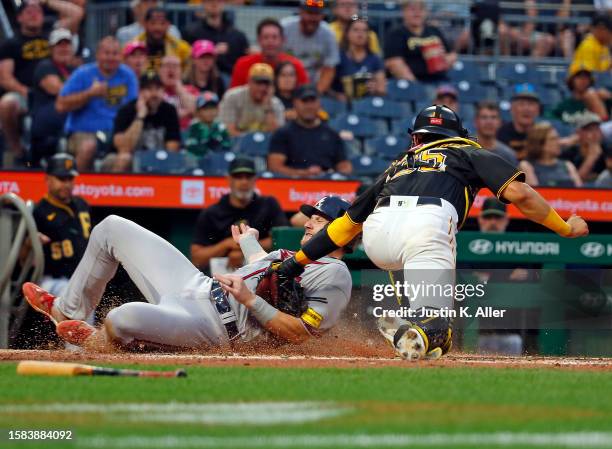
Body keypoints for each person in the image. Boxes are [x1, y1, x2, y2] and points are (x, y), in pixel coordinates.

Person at [274, 104, 589, 361]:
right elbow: (521, 195)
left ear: (416, 139)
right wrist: (564, 226)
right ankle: (413, 326)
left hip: (378, 235)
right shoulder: (467, 151)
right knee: (438, 328)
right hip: (427, 225)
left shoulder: (398, 165)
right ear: (458, 135)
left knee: (438, 342)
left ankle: (416, 323)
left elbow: (343, 227)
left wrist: (295, 262)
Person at [22, 195, 351, 351]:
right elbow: (264, 272)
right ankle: (68, 309)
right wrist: (250, 244)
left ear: (341, 232)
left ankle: (97, 341)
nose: (308, 222)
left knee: (121, 318)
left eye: (319, 220)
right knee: (111, 228)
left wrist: (251, 301)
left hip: (216, 328)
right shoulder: (297, 255)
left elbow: (301, 333)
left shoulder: (335, 274)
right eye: (311, 216)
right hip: (199, 286)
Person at [191, 157, 288, 272]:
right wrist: (226, 244)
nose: (244, 182)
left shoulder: (268, 204)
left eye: (248, 177)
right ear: (229, 179)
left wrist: (245, 247)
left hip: (265, 273)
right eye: (238, 177)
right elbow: (197, 258)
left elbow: (283, 241)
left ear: (255, 179)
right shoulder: (211, 213)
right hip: (221, 278)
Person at [56, 36, 138, 171]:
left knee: (125, 157)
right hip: (83, 132)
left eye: (115, 53)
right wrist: (90, 93)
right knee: (88, 146)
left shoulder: (128, 76)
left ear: (121, 56)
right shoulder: (82, 74)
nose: (110, 58)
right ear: (98, 54)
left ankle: (109, 190)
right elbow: (60, 105)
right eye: (106, 53)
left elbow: (132, 108)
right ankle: (77, 186)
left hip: (116, 134)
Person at [33, 153, 91, 297]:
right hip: (52, 280)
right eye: (61, 179)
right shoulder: (39, 211)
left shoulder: (81, 204)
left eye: (70, 179)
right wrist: (31, 242)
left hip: (80, 279)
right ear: (48, 179)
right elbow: (23, 257)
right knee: (72, 294)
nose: (66, 184)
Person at [0, 0, 49, 166]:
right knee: (6, 104)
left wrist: (47, 2)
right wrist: (26, 92)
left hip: (53, 94)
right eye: (29, 11)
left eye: (38, 11)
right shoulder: (11, 43)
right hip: (24, 93)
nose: (34, 14)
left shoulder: (53, 38)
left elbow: (76, 14)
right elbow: (4, 77)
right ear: (19, 17)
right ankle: (17, 150)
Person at [268, 84, 351, 178]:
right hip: (293, 186)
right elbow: (274, 167)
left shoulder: (332, 134)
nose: (309, 106)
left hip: (327, 186)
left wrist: (330, 174)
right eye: (304, 101)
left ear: (319, 103)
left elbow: (345, 166)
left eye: (312, 101)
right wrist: (304, 174)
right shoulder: (283, 134)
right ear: (295, 103)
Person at [107, 71, 181, 172]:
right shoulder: (126, 110)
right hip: (130, 160)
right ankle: (115, 187)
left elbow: (173, 148)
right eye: (149, 89)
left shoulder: (169, 111)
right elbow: (123, 148)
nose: (154, 94)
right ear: (140, 92)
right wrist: (140, 117)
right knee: (124, 158)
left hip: (160, 160)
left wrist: (154, 160)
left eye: (158, 89)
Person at [30, 28, 76, 167]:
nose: (64, 48)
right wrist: (85, 93)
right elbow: (59, 90)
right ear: (51, 48)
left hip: (69, 121)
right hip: (46, 125)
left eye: (67, 45)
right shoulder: (45, 66)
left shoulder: (74, 70)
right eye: (59, 45)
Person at [384, 0, 457, 83]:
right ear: (403, 12)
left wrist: (442, 58)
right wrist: (417, 87)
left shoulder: (434, 30)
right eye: (412, 9)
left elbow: (452, 55)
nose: (417, 13)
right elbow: (394, 64)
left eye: (421, 9)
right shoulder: (396, 33)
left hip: (439, 80)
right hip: (411, 83)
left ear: (426, 12)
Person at [230, 17, 309, 89]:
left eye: (274, 37)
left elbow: (306, 95)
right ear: (259, 40)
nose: (270, 42)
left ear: (283, 40)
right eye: (266, 37)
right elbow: (233, 96)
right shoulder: (243, 64)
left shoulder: (295, 65)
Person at [281, 0, 339, 94]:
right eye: (309, 13)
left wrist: (316, 94)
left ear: (322, 15)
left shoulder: (328, 34)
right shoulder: (285, 28)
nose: (312, 18)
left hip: (313, 85)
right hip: (285, 83)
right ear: (301, 12)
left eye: (317, 14)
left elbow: (329, 69)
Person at [182, 0, 249, 75]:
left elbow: (243, 59)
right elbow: (186, 58)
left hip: (228, 76)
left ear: (224, 3)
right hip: (199, 77)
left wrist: (231, 50)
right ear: (203, 3)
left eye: (218, 1)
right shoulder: (191, 32)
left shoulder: (237, 35)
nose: (214, 3)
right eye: (210, 1)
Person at [218, 63, 285, 137]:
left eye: (266, 84)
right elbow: (228, 131)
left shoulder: (276, 103)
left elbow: (277, 136)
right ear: (249, 81)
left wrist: (268, 106)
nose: (262, 88)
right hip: (236, 145)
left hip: (265, 147)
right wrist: (251, 142)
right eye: (258, 83)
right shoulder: (232, 97)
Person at [333, 17, 385, 101]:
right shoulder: (337, 57)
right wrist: (336, 95)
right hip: (341, 105)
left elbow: (382, 89)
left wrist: (375, 89)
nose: (360, 34)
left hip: (367, 104)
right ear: (347, 33)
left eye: (365, 30)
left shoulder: (375, 59)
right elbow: (327, 86)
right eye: (356, 30)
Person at [519, 122, 582, 187]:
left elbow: (581, 192)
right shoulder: (527, 166)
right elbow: (533, 194)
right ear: (540, 144)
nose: (558, 142)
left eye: (558, 138)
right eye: (553, 139)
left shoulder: (568, 165)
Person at [135, 8, 191, 73]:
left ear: (168, 25)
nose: (157, 27)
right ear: (145, 24)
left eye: (162, 23)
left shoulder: (181, 48)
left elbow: (188, 70)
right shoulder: (134, 46)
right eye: (153, 23)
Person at [497, 83, 541, 159]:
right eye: (521, 104)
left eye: (531, 104)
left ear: (538, 110)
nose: (526, 109)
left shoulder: (544, 134)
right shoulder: (499, 133)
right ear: (512, 109)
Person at [562, 112, 607, 183]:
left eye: (597, 129)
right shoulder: (569, 153)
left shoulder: (607, 150)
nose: (594, 133)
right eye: (589, 129)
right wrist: (592, 157)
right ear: (578, 132)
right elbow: (574, 183)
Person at [185, 91, 232, 157]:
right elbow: (191, 147)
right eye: (206, 109)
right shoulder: (194, 127)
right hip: (198, 162)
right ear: (198, 111)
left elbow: (227, 145)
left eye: (213, 108)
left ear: (218, 109)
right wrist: (206, 147)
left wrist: (218, 147)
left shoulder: (221, 127)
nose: (210, 112)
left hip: (218, 160)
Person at [158, 55, 199, 130]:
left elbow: (197, 112)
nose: (171, 69)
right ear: (160, 71)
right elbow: (159, 115)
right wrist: (186, 112)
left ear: (181, 71)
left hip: (188, 132)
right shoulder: (154, 92)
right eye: (167, 66)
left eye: (175, 66)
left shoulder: (191, 90)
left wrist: (180, 90)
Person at [116, 0, 181, 46]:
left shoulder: (172, 30)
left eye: (154, 1)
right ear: (136, 8)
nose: (150, 5)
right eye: (145, 1)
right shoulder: (124, 33)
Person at [474, 101, 519, 167]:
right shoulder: (464, 150)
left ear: (500, 122)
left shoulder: (509, 155)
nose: (489, 122)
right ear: (476, 122)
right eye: (484, 117)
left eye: (493, 117)